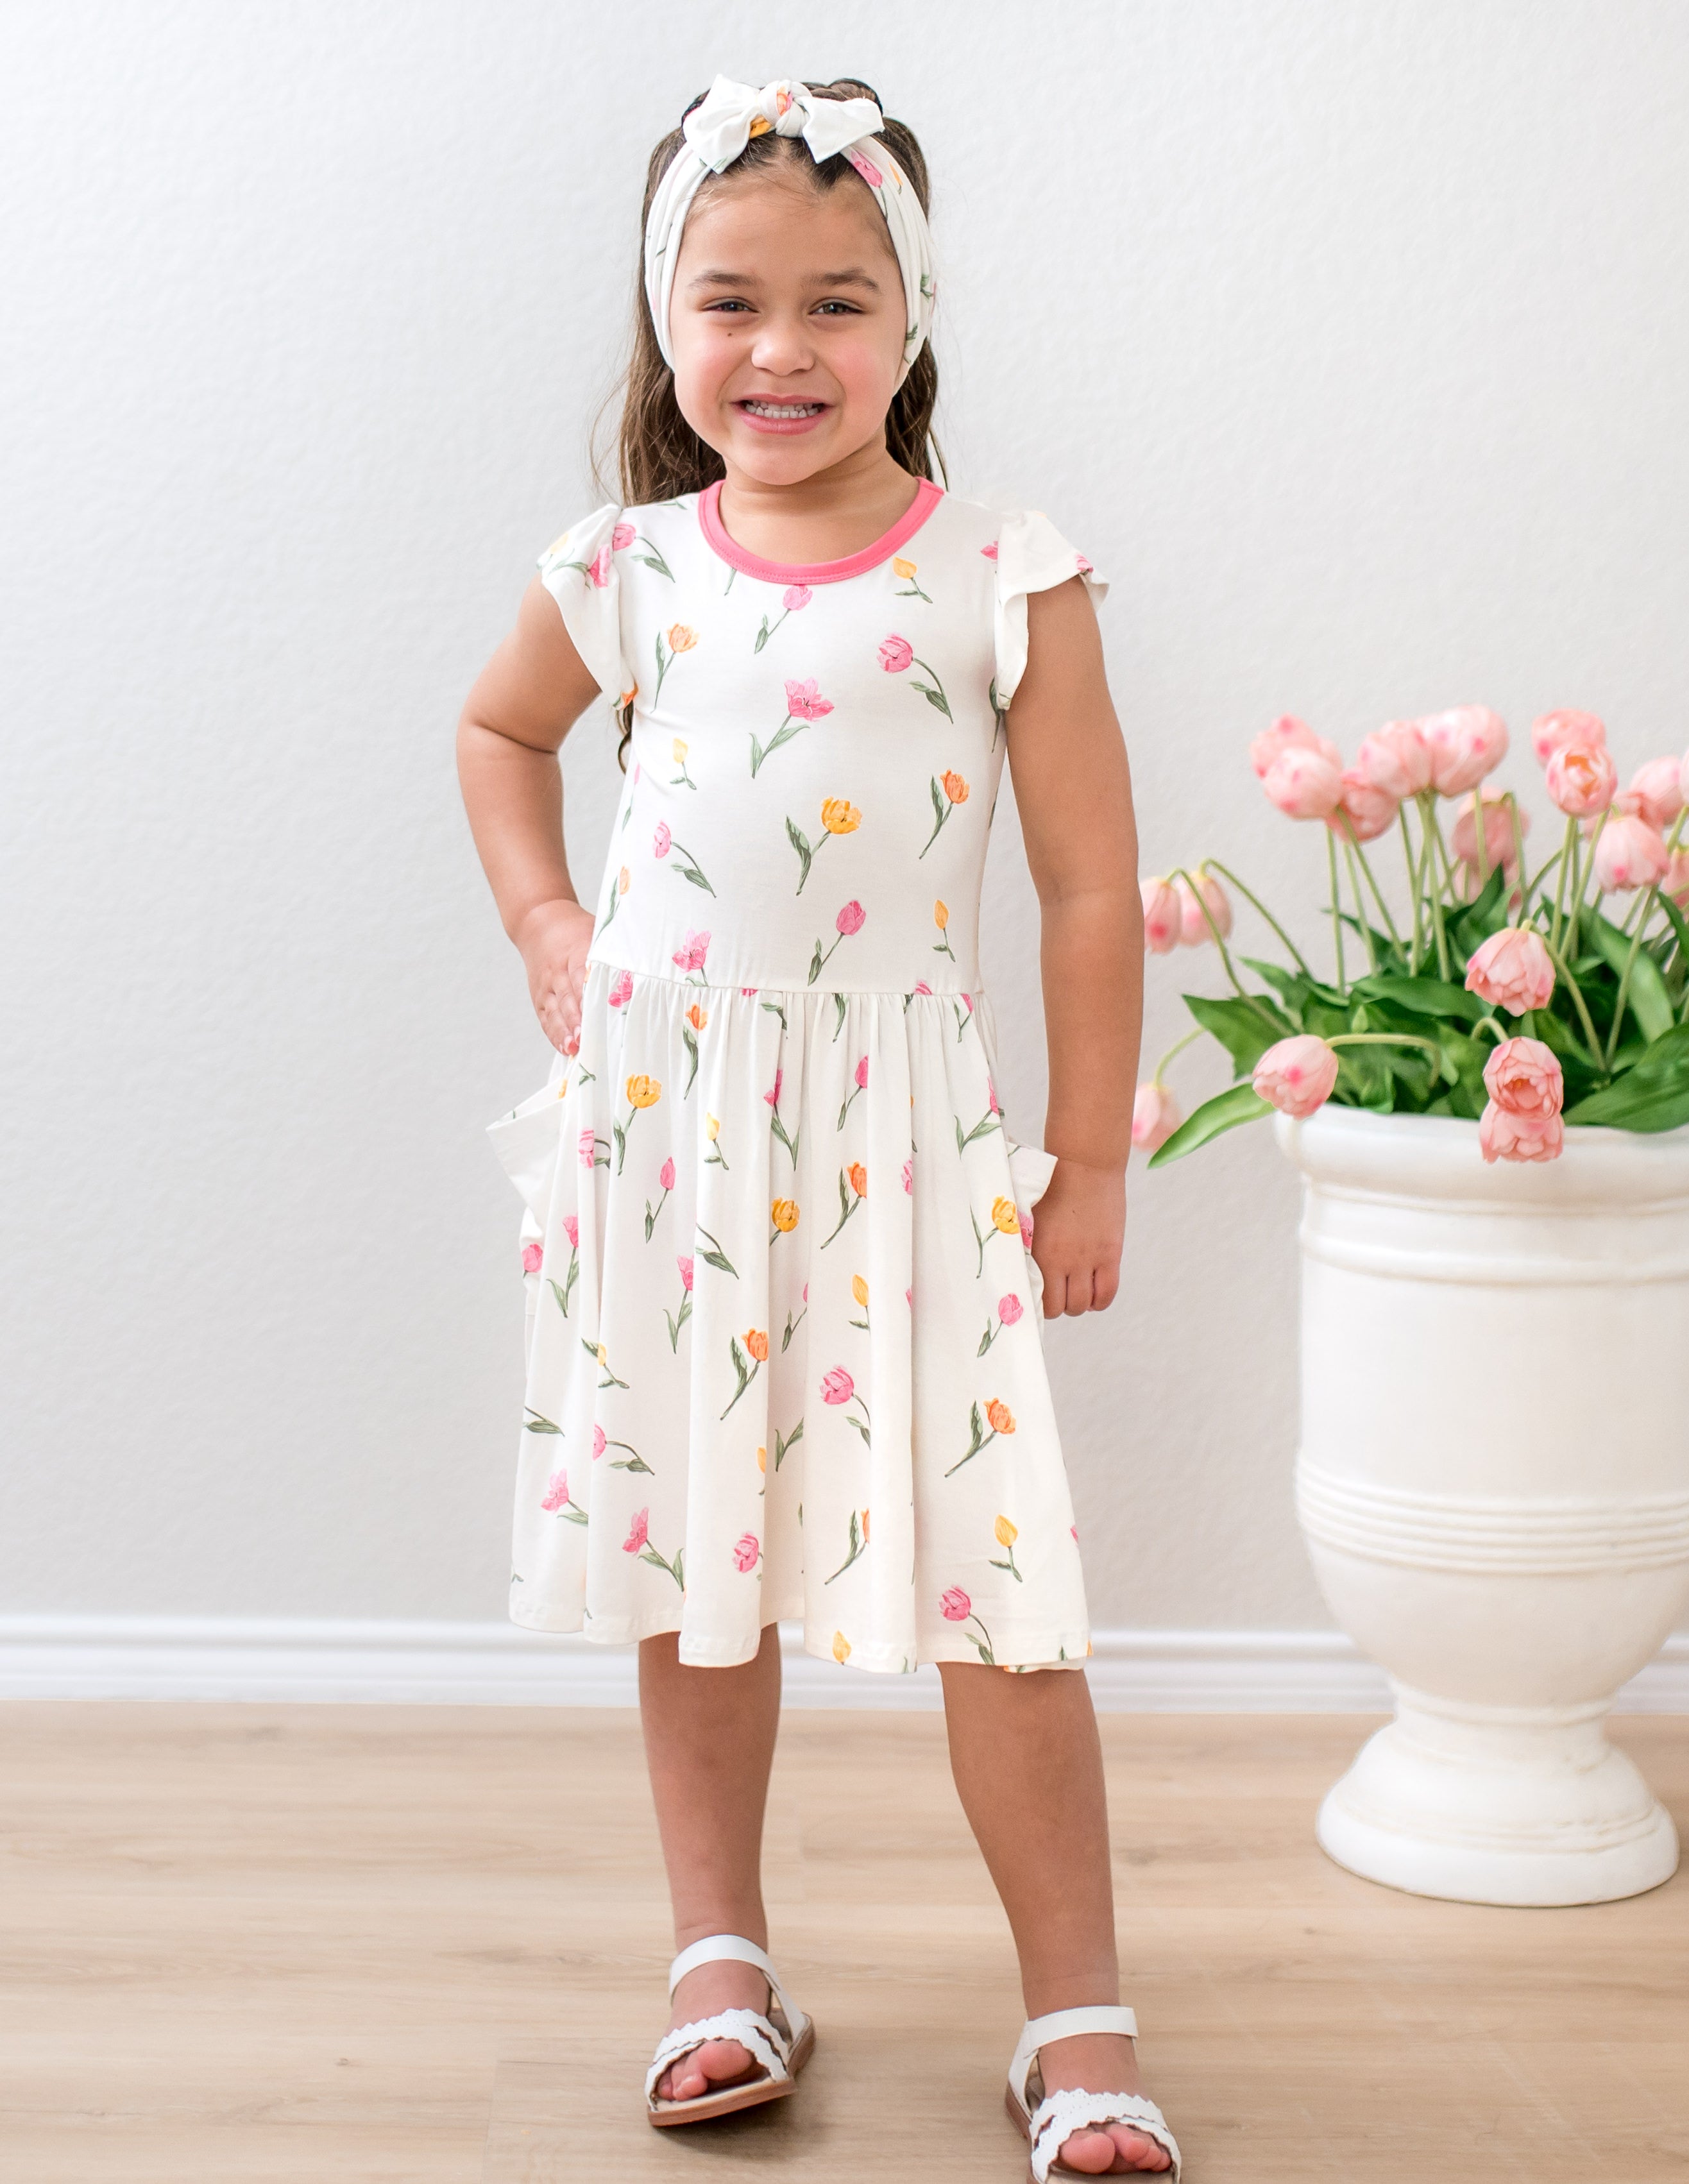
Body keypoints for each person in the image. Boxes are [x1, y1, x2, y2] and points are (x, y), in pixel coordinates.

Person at [454, 74, 1176, 2179]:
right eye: (733, 300)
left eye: (839, 303)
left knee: (997, 1579)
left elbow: (1080, 885)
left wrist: (1094, 1154)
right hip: (671, 1129)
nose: (782, 349)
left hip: (910, 1144)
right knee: (704, 1567)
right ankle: (716, 1957)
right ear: (665, 322)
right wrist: (549, 920)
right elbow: (502, 735)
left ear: (915, 321)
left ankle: (1078, 2014)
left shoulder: (1001, 571)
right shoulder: (626, 567)